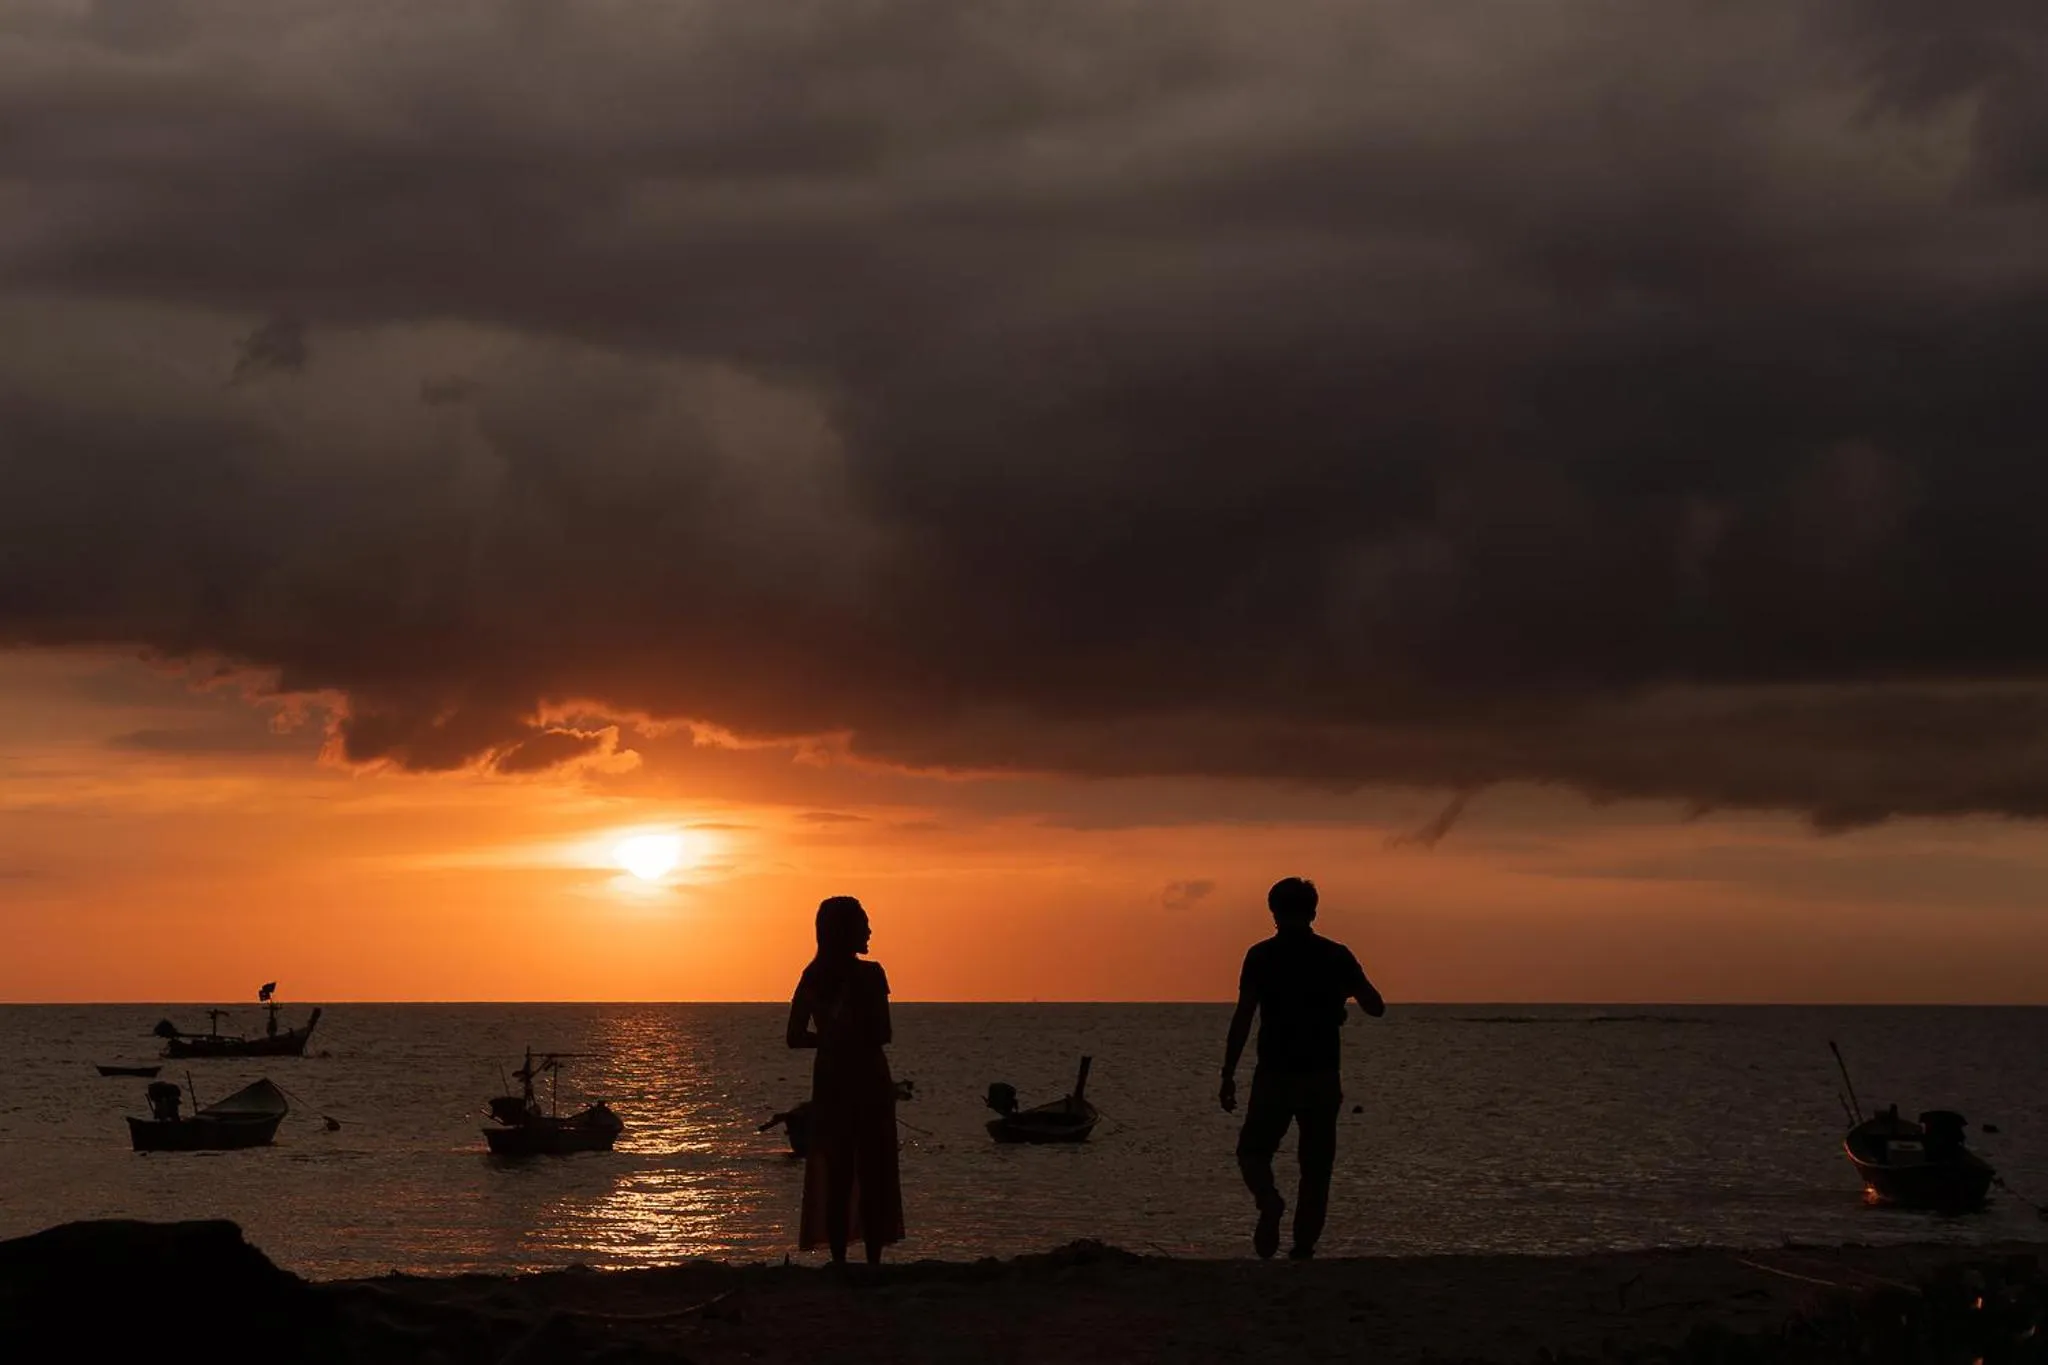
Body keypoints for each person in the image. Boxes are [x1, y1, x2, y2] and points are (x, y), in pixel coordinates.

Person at [1219, 876, 1384, 1260]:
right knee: (1316, 1167)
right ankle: (1304, 1248)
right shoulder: (1337, 956)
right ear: (1313, 912)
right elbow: (1376, 1007)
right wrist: (1339, 998)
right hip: (1321, 1074)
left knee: (1253, 1152)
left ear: (1273, 912)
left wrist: (1228, 1073)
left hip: (1274, 1073)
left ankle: (1268, 1199)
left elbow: (1244, 1017)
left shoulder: (1260, 956)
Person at [787, 895, 905, 1265]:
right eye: (863, 924)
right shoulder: (871, 975)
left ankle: (839, 1261)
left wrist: (829, 1040)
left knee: (837, 1172)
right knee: (873, 1170)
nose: (869, 931)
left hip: (832, 1078)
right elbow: (882, 1032)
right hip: (868, 1077)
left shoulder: (812, 976)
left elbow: (794, 1036)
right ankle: (872, 1262)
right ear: (845, 930)